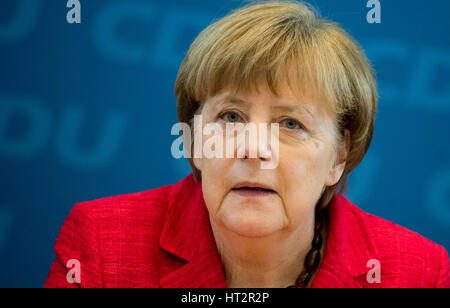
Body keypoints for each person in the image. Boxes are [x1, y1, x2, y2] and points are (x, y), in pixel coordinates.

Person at [44, 1, 449, 288]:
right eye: (231, 117)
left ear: (338, 157)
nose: (253, 148)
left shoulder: (417, 273)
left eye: (291, 123)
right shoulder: (101, 245)